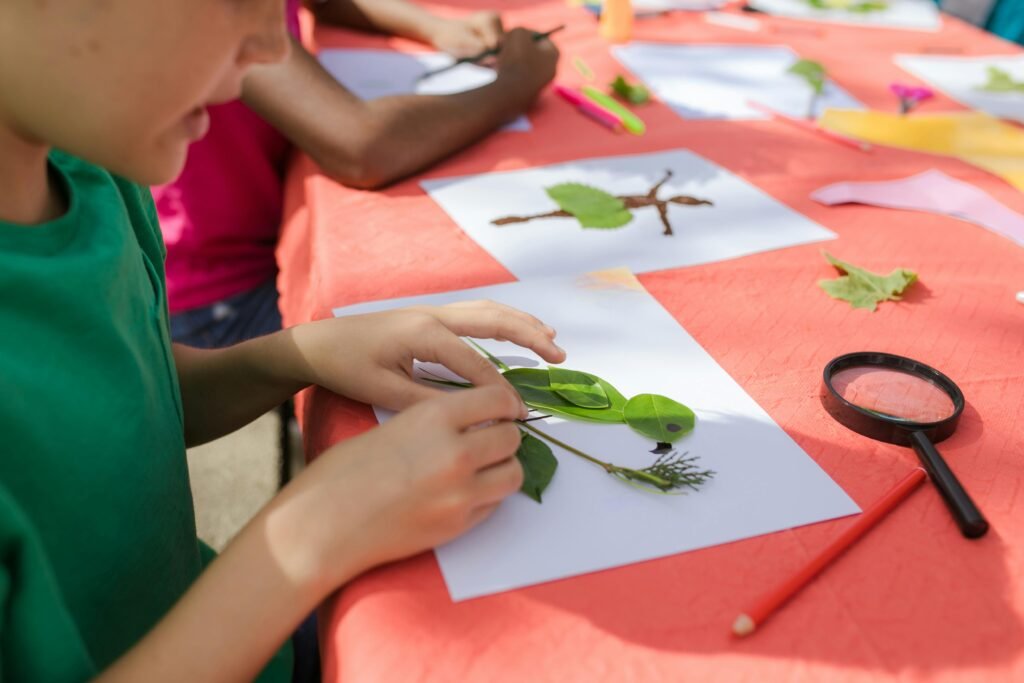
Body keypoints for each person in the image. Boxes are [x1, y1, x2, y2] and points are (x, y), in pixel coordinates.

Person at [0, 1, 566, 680]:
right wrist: (309, 535)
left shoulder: (92, 168)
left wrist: (302, 352)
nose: (274, 45)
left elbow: (118, 403)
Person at [155, 0, 560, 349]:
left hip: (241, 239)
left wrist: (432, 26)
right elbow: (360, 147)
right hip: (210, 299)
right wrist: (517, 83)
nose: (272, 43)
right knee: (443, 326)